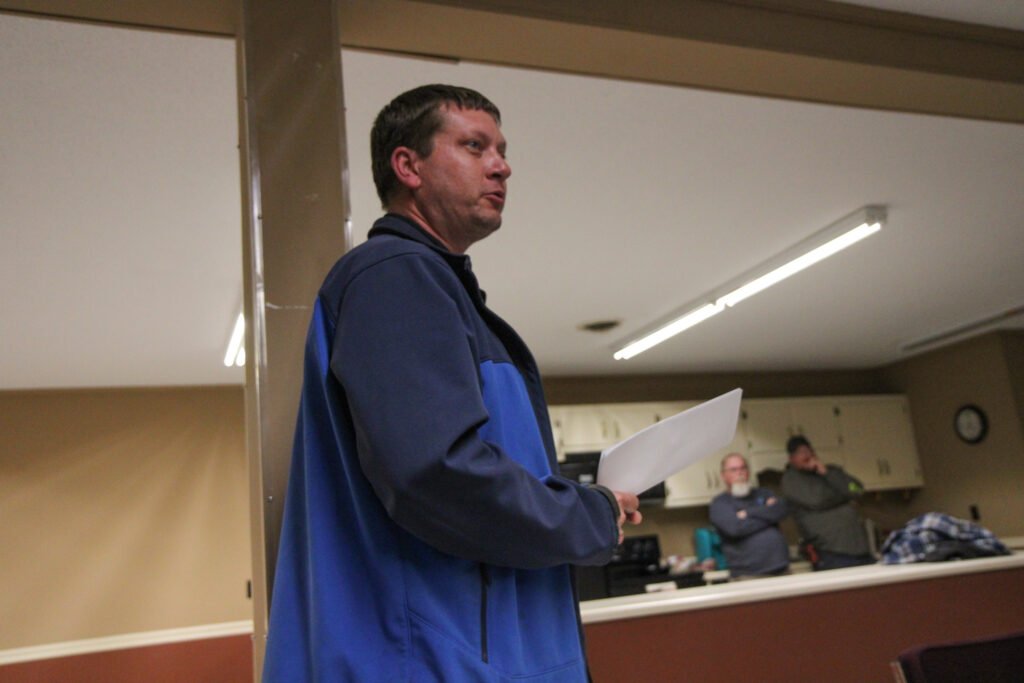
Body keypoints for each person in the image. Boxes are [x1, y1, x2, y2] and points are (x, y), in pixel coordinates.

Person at [261, 84, 642, 682]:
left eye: (502, 149)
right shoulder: (394, 278)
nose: (502, 164)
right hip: (431, 658)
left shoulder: (438, 293)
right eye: (474, 146)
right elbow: (436, 474)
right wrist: (587, 515)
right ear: (407, 166)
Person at [781, 435, 875, 570]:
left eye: (808, 451)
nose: (807, 455)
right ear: (791, 459)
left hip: (860, 549)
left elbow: (857, 489)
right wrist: (845, 496)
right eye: (800, 453)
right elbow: (817, 500)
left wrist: (827, 473)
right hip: (831, 554)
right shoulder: (791, 479)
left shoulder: (831, 471)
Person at [708, 452, 790, 579]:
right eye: (734, 470)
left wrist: (749, 513)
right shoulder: (720, 503)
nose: (740, 473)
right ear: (724, 476)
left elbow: (781, 510)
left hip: (782, 570)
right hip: (748, 575)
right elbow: (735, 528)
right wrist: (766, 512)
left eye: (743, 468)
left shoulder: (763, 493)